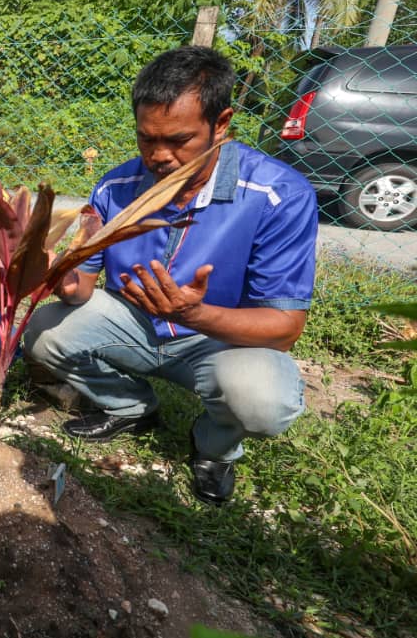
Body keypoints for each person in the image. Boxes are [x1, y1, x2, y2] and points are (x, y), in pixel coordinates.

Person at [23, 46, 318, 505]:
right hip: (137, 324)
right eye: (146, 139)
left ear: (221, 124)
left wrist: (194, 313)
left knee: (264, 399)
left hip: (220, 340)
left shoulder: (277, 195)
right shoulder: (116, 188)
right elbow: (79, 289)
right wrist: (56, 270)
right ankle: (131, 407)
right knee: (44, 331)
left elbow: (284, 329)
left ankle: (213, 447)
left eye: (179, 140)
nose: (159, 156)